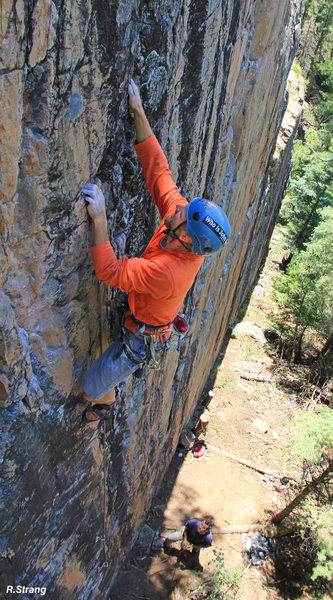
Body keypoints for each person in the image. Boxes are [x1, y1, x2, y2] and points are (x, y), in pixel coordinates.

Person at [81, 79, 230, 422]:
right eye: (184, 206)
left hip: (143, 328)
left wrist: (99, 217)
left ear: (187, 239)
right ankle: (107, 393)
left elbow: (110, 273)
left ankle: (104, 404)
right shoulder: (184, 223)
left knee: (91, 386)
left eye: (182, 212)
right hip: (144, 306)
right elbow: (159, 172)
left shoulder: (169, 272)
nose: (177, 206)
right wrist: (138, 111)